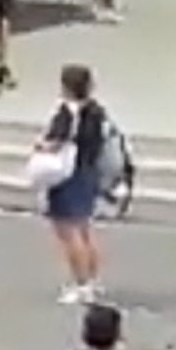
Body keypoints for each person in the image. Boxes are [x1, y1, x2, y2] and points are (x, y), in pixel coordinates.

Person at [36, 64, 112, 304]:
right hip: (88, 172)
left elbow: (56, 142)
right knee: (85, 230)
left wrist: (41, 146)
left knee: (69, 233)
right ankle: (91, 280)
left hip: (67, 175)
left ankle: (80, 284)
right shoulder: (96, 111)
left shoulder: (67, 113)